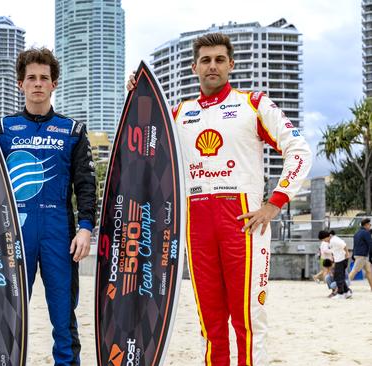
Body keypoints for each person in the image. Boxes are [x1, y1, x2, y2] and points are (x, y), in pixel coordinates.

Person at [127, 32, 312, 365]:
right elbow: (141, 147)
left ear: (231, 65)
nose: (213, 66)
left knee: (248, 321)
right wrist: (137, 97)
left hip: (243, 222)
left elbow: (299, 150)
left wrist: (275, 203)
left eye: (219, 59)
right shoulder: (178, 114)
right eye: (206, 60)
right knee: (210, 324)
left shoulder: (253, 104)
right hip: (195, 224)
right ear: (194, 67)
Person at [0, 47, 96, 365]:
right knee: (8, 315)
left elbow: (87, 185)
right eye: (32, 78)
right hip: (15, 230)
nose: (38, 83)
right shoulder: (1, 129)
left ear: (54, 84)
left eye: (44, 78)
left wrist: (86, 228)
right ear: (20, 83)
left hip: (58, 231)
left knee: (63, 321)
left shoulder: (73, 131)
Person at [319, 230, 352, 299]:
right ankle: (347, 292)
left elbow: (344, 245)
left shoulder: (334, 240)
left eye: (324, 239)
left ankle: (341, 293)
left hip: (341, 259)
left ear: (326, 237)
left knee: (338, 277)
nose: (325, 241)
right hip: (338, 259)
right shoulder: (331, 240)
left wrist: (347, 253)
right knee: (340, 276)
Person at [349, 218, 372, 289]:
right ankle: (341, 287)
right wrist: (371, 255)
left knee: (369, 271)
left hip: (360, 255)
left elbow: (355, 245)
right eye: (369, 225)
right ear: (366, 225)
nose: (370, 226)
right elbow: (370, 244)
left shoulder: (357, 233)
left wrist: (353, 255)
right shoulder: (366, 233)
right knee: (354, 271)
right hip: (362, 256)